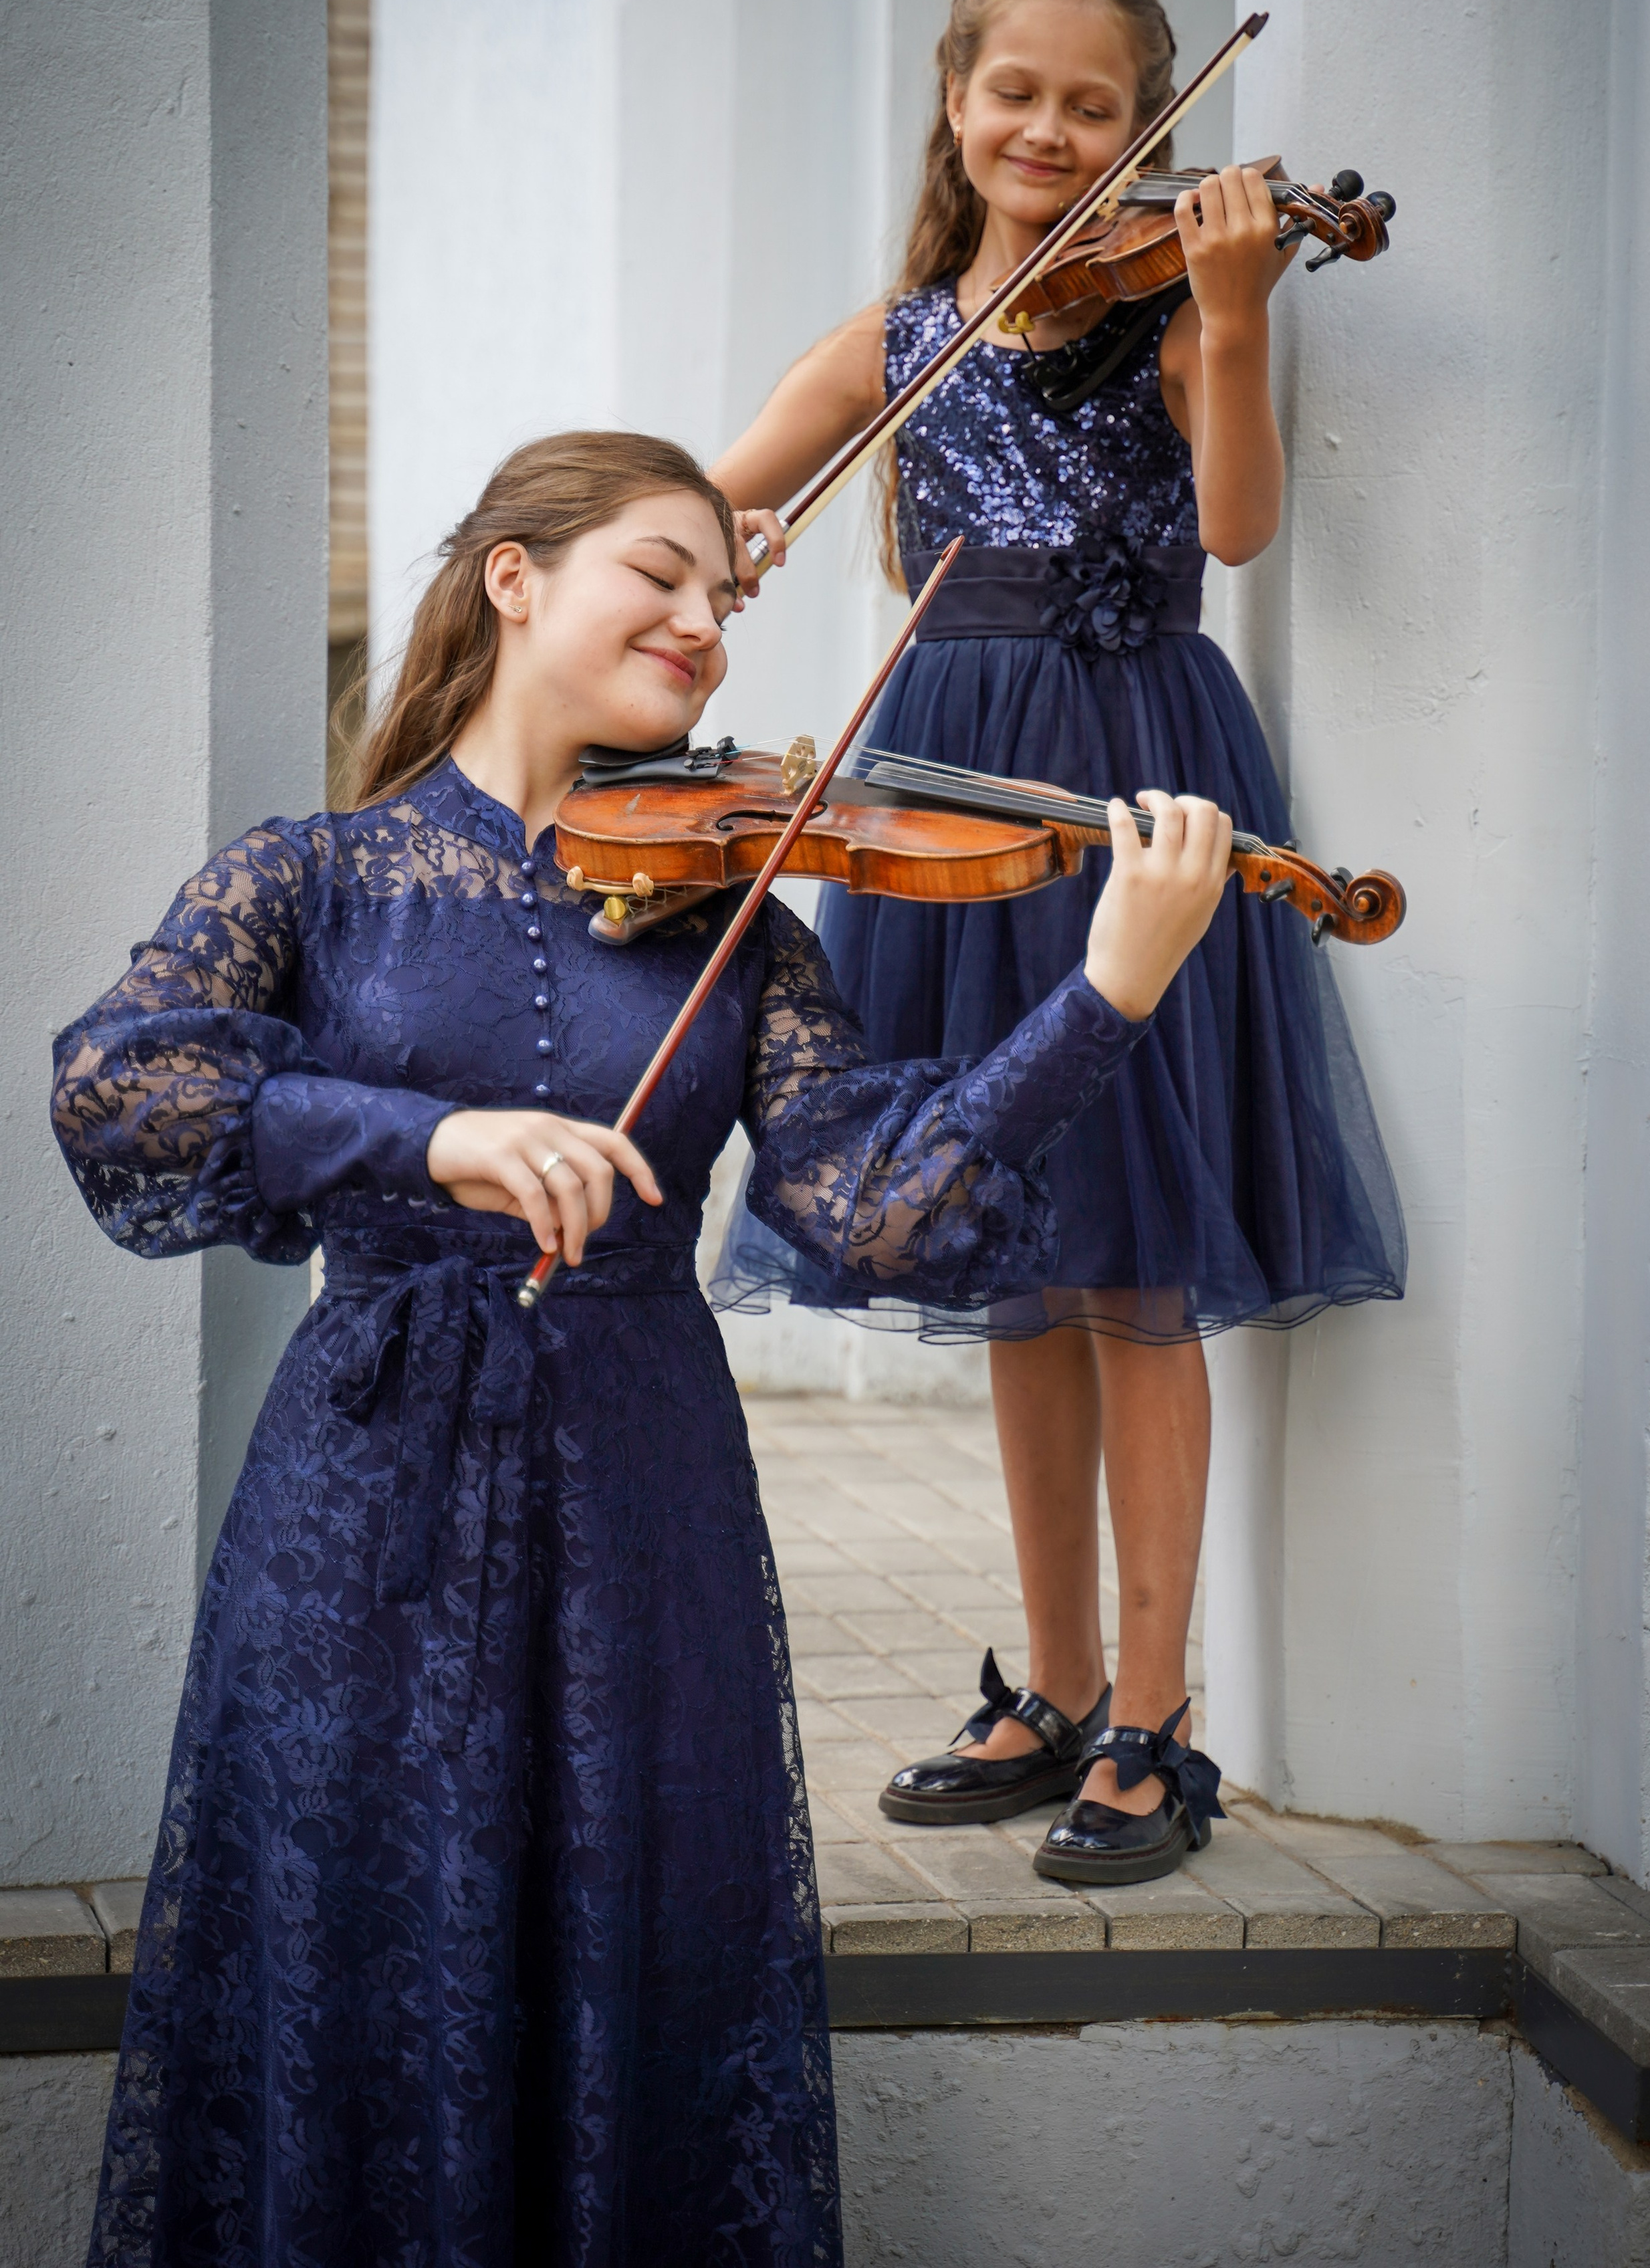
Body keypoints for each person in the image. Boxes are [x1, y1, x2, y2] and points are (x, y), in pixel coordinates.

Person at [53, 427, 1236, 2268]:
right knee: (362, 1958)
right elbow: (117, 1086)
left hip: (642, 1505)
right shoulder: (321, 873)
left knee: (642, 1963)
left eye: (722, 596)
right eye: (659, 574)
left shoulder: (738, 922)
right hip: (359, 1513)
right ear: (514, 576)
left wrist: (1109, 994)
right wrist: (419, 1136)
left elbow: (882, 1205)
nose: (703, 624)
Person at [711, 0, 1405, 1889]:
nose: (1052, 132)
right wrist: (707, 551)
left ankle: (1159, 1714)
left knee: (1139, 1253)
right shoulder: (899, 335)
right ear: (957, 100)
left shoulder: (1177, 310)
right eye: (1017, 92)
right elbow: (718, 493)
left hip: (1134, 779)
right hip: (946, 798)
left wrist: (1244, 313)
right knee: (1013, 1229)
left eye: (1097, 108)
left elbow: (1243, 527)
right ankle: (1058, 1681)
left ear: (1143, 127)